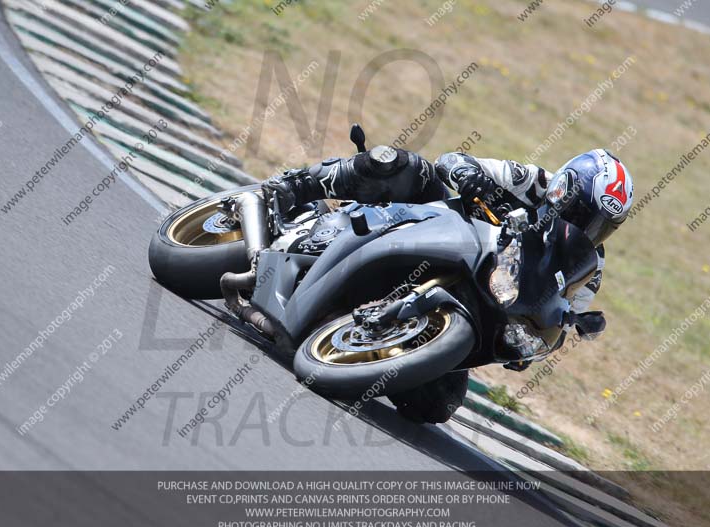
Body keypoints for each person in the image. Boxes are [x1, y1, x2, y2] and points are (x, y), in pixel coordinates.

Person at [262, 146, 634, 422]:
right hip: (441, 229)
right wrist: (471, 177)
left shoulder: (590, 265)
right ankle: (298, 185)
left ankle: (363, 336)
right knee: (400, 164)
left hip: (481, 297)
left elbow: (567, 308)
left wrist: (543, 333)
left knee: (438, 404)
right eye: (586, 213)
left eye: (603, 224)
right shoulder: (533, 182)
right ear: (564, 189)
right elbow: (452, 160)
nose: (590, 227)